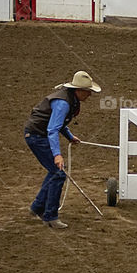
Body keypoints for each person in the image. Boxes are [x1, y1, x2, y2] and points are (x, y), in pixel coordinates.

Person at [23, 70, 102, 228]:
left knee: (54, 172)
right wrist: (57, 155)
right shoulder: (64, 103)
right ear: (79, 91)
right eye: (88, 91)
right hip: (38, 136)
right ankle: (50, 216)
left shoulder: (68, 99)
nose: (90, 95)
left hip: (37, 133)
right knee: (58, 173)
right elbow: (53, 129)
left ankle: (38, 207)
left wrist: (69, 136)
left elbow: (58, 124)